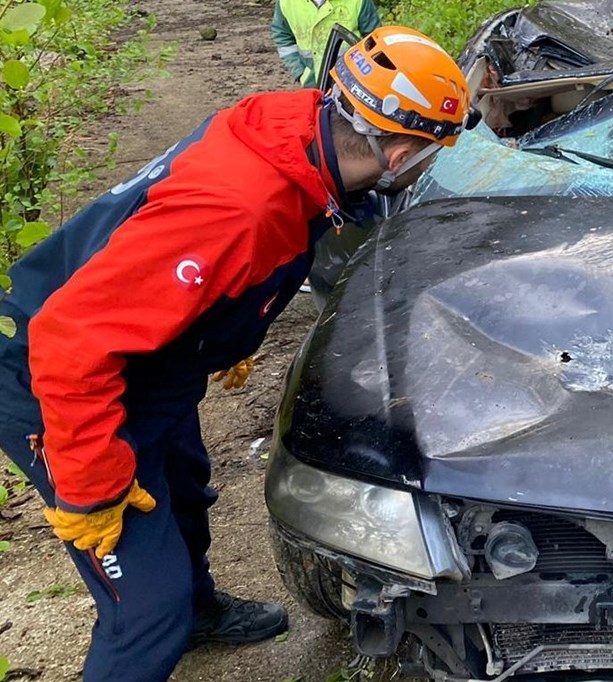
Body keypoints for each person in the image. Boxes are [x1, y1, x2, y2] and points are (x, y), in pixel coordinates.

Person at [0, 26, 472, 682]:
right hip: (52, 371)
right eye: (430, 151)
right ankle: (163, 622)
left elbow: (276, 233)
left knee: (184, 489)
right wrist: (89, 485)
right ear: (396, 155)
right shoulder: (236, 211)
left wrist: (224, 328)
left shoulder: (296, 127)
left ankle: (197, 615)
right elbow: (70, 338)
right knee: (146, 607)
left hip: (146, 359)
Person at [273, 0, 382, 88]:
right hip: (311, 83)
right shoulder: (286, 2)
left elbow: (376, 42)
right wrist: (300, 72)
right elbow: (283, 37)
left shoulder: (358, 2)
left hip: (351, 84)